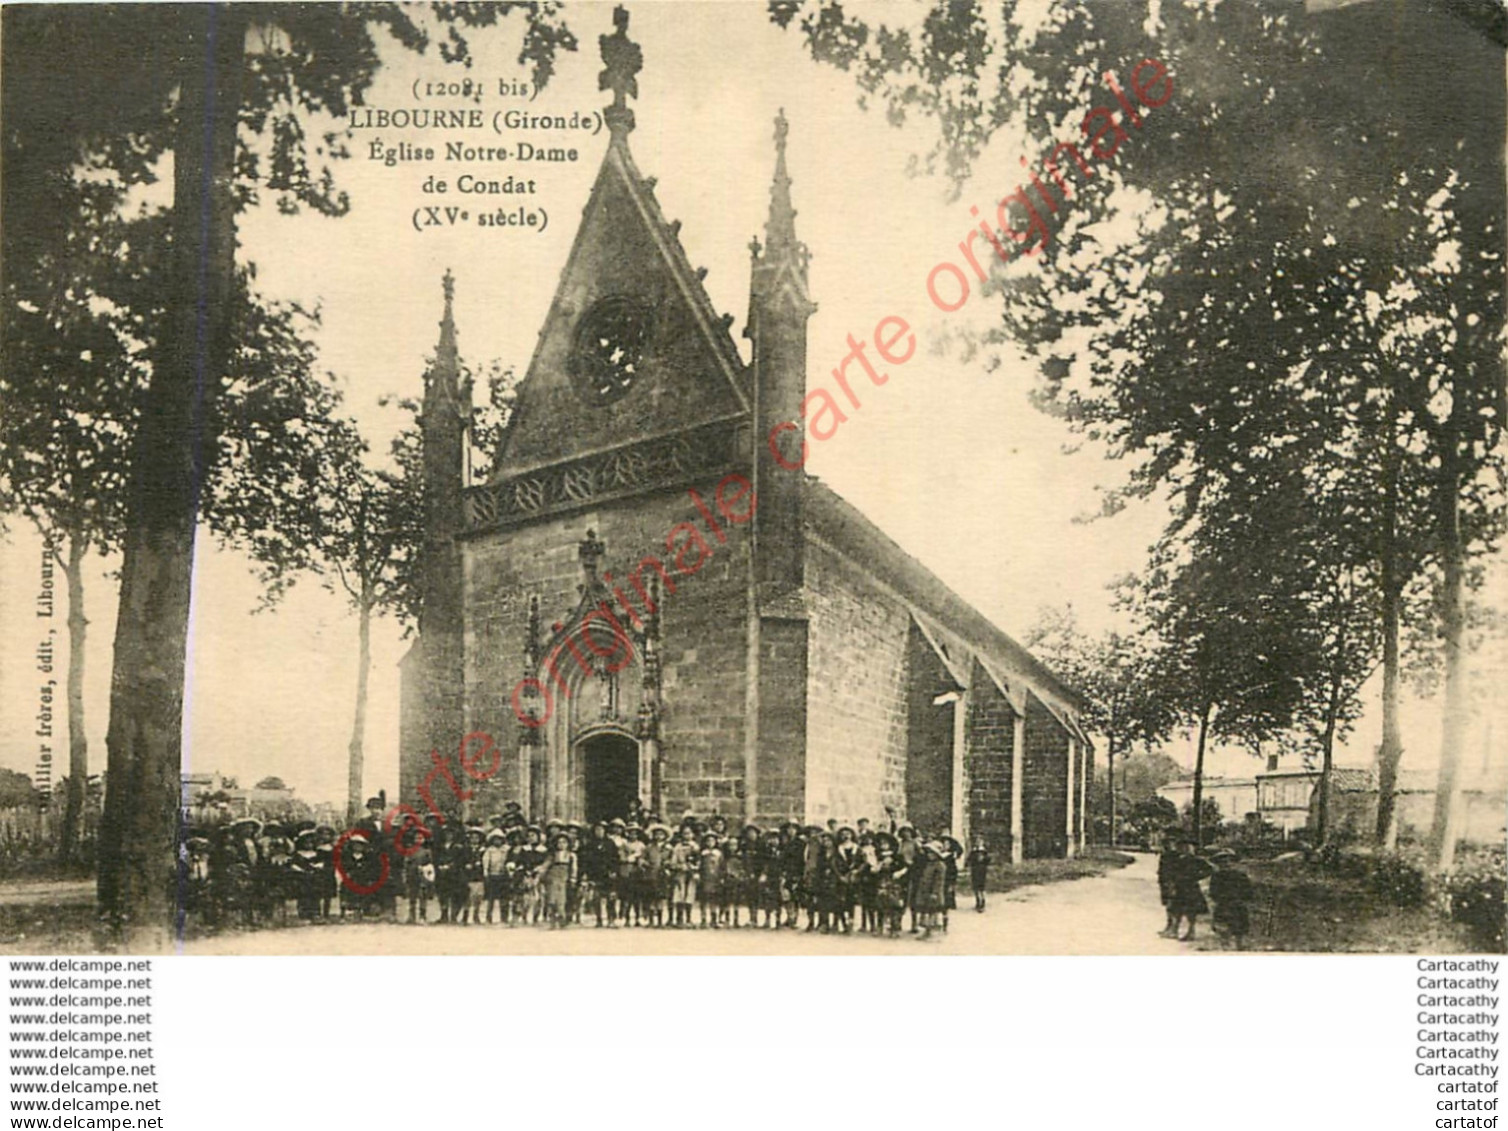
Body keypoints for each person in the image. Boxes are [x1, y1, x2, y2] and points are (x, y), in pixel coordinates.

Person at [1168, 838, 1213, 941]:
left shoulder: (1196, 860)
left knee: (1191, 910)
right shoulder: (1177, 860)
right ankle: (1175, 930)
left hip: (1190, 887)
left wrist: (1198, 876)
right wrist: (1172, 884)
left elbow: (1209, 869)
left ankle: (1191, 931)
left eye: (1186, 847)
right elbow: (1172, 873)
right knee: (1176, 910)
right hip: (1179, 887)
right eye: (1181, 847)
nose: (1183, 849)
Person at [1208, 849, 1253, 949]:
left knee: (1239, 928)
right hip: (1223, 905)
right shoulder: (1216, 876)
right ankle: (1225, 946)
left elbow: (1248, 891)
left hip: (1238, 905)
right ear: (1219, 864)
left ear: (1234, 863)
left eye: (1229, 861)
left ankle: (1239, 945)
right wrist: (1219, 899)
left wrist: (1243, 900)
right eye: (1222, 862)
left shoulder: (1241, 876)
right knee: (1223, 928)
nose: (1226, 864)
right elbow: (1213, 892)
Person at [540, 833, 577, 928]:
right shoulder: (553, 855)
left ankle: (562, 919)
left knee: (562, 900)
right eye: (559, 842)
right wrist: (541, 871)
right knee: (552, 899)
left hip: (564, 878)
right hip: (553, 877)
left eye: (564, 842)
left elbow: (574, 868)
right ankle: (552, 920)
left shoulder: (571, 855)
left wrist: (573, 878)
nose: (561, 844)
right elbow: (546, 865)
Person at [482, 829, 510, 925]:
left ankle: (504, 917)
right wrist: (486, 872)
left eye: (499, 839)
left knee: (504, 898)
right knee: (491, 898)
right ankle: (488, 917)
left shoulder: (506, 849)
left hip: (503, 876)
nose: (497, 841)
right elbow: (485, 862)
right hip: (492, 875)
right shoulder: (490, 850)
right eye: (495, 839)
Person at [965, 837, 991, 913]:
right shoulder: (973, 851)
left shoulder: (984, 852)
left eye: (980, 841)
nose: (978, 843)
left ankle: (982, 902)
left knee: (981, 887)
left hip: (982, 870)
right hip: (975, 870)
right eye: (977, 841)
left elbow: (988, 860)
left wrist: (984, 859)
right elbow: (969, 860)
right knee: (975, 887)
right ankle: (977, 901)